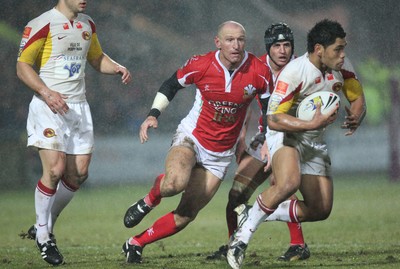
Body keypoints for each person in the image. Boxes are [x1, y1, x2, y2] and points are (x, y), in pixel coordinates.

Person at [121, 20, 273, 264]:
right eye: (230, 40)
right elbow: (171, 84)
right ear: (218, 42)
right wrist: (153, 114)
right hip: (192, 137)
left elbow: (268, 108)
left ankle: (135, 243)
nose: (236, 45)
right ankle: (149, 200)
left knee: (186, 215)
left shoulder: (258, 70)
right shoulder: (201, 64)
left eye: (240, 40)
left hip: (221, 154)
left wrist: (267, 137)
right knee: (175, 182)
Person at [226, 19, 367, 269]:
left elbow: (357, 96)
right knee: (288, 182)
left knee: (321, 209)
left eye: (344, 48)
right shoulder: (294, 73)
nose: (343, 54)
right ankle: (241, 240)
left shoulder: (340, 71)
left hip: (314, 140)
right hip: (285, 134)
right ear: (319, 49)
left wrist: (357, 114)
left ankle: (252, 212)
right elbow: (274, 118)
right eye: (338, 49)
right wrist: (310, 124)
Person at [16, 0, 132, 266]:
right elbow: (23, 66)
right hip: (49, 106)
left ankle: (43, 225)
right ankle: (44, 237)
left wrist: (116, 66)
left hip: (78, 107)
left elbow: (95, 58)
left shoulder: (87, 24)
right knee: (55, 169)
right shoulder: (41, 23)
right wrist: (46, 92)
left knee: (78, 174)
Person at [207, 22, 310, 262]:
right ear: (268, 48)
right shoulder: (256, 66)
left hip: (292, 138)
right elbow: (242, 101)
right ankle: (234, 243)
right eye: (277, 46)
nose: (282, 51)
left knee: (281, 183)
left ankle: (298, 244)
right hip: (264, 138)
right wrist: (241, 137)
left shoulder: (302, 68)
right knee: (235, 196)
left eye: (287, 45)